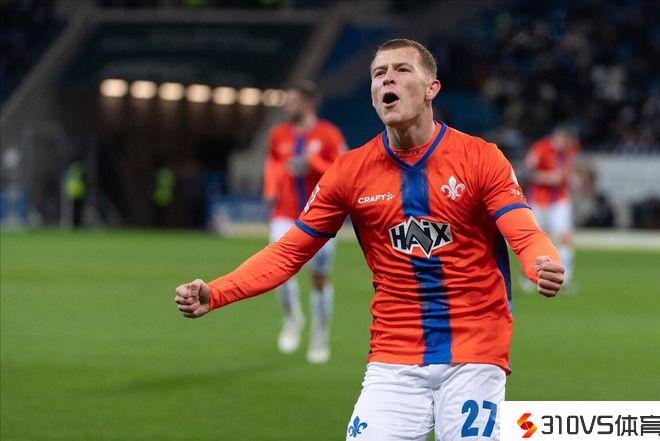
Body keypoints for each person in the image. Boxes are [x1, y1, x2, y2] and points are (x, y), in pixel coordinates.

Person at [175, 39, 565, 440]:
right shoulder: (349, 172)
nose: (387, 80)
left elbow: (524, 232)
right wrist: (216, 292)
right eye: (379, 74)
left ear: (431, 88)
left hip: (476, 350)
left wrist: (541, 263)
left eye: (401, 70)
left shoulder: (481, 158)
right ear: (373, 95)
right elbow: (288, 253)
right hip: (394, 355)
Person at [262, 80, 346, 363]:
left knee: (319, 279)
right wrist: (270, 187)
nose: (287, 105)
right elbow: (274, 161)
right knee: (277, 269)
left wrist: (314, 164)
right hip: (284, 213)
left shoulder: (329, 134)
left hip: (321, 215)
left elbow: (343, 170)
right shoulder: (279, 134)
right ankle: (292, 317)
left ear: (308, 103)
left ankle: (320, 334)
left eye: (292, 100)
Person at [524, 125, 579, 289]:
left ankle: (565, 278)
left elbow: (567, 170)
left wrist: (572, 179)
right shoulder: (541, 148)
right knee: (535, 239)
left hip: (559, 199)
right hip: (539, 200)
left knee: (564, 236)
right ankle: (531, 276)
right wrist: (548, 178)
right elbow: (526, 173)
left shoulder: (570, 149)